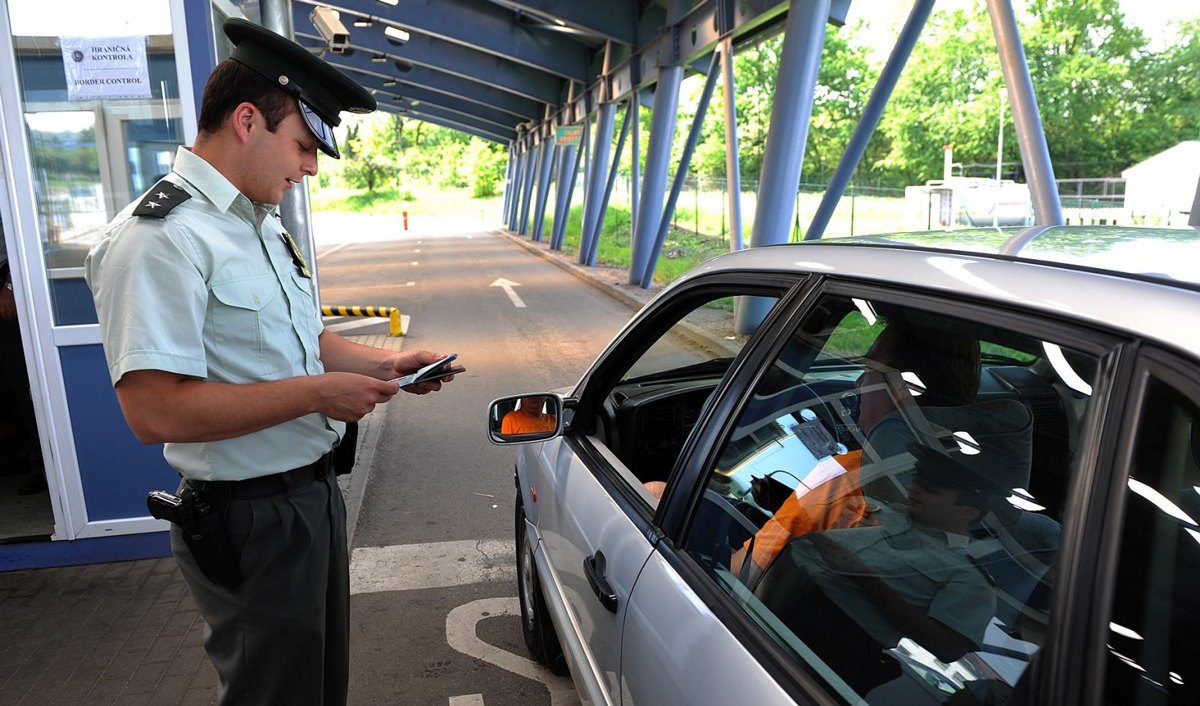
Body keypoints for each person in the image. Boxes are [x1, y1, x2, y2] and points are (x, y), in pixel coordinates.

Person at [84, 19, 457, 706]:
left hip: (308, 498)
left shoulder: (260, 223)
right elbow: (153, 410)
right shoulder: (159, 237)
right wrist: (318, 396)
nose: (312, 166)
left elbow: (303, 339)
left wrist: (387, 364)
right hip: (248, 519)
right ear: (247, 120)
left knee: (316, 689)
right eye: (305, 145)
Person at [733, 320, 1033, 582]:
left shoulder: (839, 478)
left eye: (869, 368)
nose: (860, 382)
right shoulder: (1013, 519)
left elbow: (745, 572)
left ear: (899, 389)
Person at [755, 444, 1003, 695]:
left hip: (829, 641)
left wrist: (865, 577)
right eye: (916, 480)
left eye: (930, 489)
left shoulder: (968, 578)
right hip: (764, 596)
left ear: (968, 512)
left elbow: (948, 648)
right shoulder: (874, 507)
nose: (913, 488)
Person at [0, 231, 47, 495]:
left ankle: (41, 465)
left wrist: (10, 285)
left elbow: (19, 234)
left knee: (22, 383)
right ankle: (23, 453)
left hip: (7, 284)